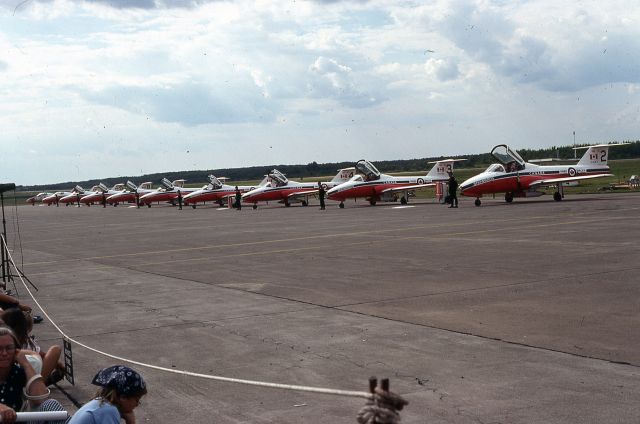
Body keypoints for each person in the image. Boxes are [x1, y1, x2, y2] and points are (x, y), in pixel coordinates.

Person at [0, 326, 67, 424]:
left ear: (17, 350)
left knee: (52, 406)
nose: (4, 353)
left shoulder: (17, 372)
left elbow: (42, 400)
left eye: (9, 348)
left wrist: (26, 364)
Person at [1, 308, 64, 386]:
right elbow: (40, 354)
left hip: (17, 376)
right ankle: (39, 384)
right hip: (22, 377)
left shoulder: (8, 339)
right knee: (55, 349)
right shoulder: (24, 341)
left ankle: (37, 384)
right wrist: (56, 363)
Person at [68, 365, 147, 424]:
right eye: (137, 400)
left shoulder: (100, 403)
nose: (137, 404)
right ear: (123, 397)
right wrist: (131, 422)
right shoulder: (108, 411)